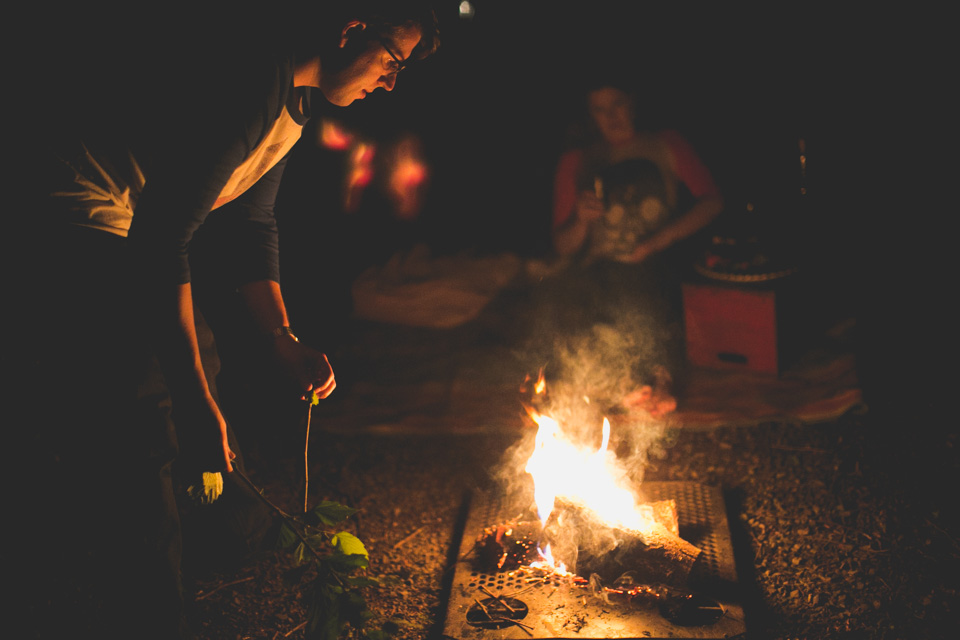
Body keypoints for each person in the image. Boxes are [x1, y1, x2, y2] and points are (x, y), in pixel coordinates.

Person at [13, 2, 439, 638]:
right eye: (392, 60)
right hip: (67, 209)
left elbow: (248, 225)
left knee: (198, 364)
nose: (391, 81)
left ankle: (227, 534)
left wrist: (281, 338)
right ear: (351, 29)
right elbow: (163, 240)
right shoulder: (253, 78)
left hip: (128, 224)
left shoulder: (295, 104)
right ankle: (153, 614)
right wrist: (191, 400)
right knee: (152, 398)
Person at [529, 79, 724, 416]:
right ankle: (621, 382)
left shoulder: (665, 145)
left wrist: (657, 242)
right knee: (584, 302)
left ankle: (655, 381)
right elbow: (562, 246)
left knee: (646, 291)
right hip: (598, 269)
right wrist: (580, 219)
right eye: (600, 110)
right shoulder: (578, 161)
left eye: (616, 104)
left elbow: (713, 202)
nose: (611, 116)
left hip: (658, 259)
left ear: (632, 102)